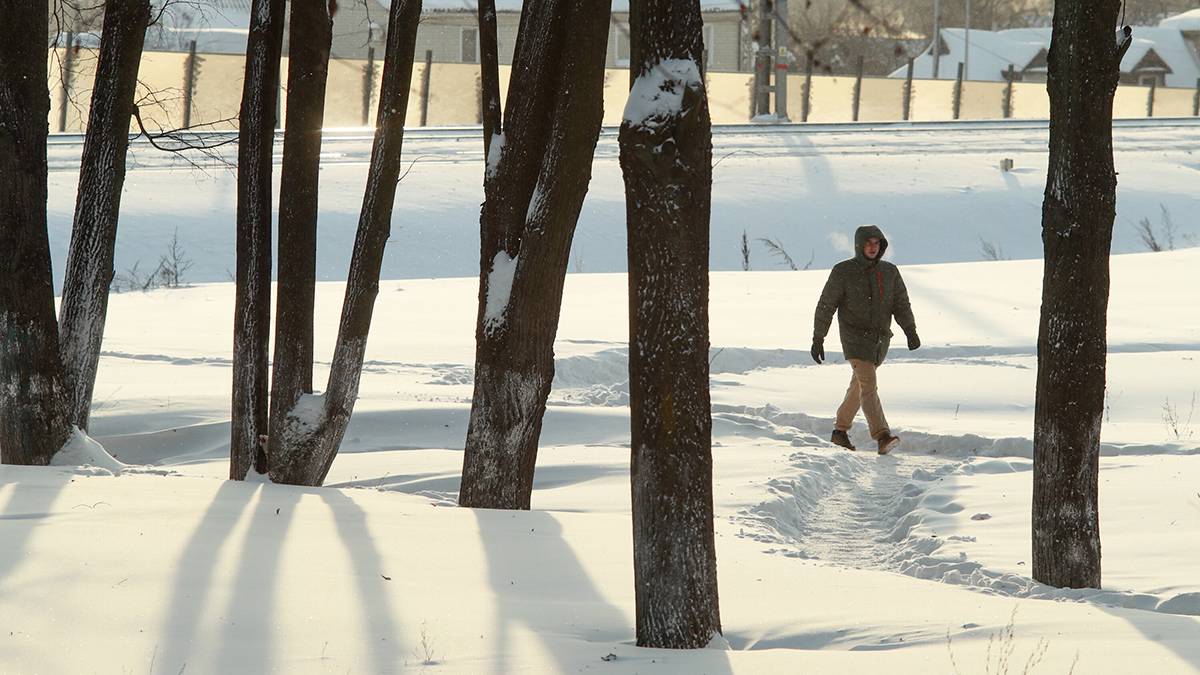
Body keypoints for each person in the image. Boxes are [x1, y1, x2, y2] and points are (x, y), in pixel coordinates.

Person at [811, 225, 919, 455]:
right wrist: (819, 337)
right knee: (869, 386)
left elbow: (901, 304)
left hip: (880, 341)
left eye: (876, 243)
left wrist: (910, 330)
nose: (872, 247)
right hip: (855, 340)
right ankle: (882, 436)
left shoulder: (889, 272)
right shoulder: (843, 271)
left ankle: (839, 432)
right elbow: (826, 305)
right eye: (868, 243)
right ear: (859, 245)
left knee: (858, 386)